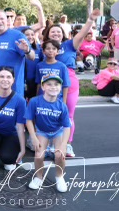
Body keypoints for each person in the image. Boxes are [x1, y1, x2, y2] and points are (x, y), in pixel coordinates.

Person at [43, 8, 101, 157]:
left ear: (63, 34)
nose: (56, 34)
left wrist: (90, 20)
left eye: (58, 32)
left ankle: (67, 144)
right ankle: (51, 144)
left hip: (69, 83)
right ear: (48, 35)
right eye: (52, 32)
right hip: (50, 85)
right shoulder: (45, 49)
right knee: (50, 114)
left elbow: (82, 34)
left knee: (68, 115)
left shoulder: (69, 45)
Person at [25, 75, 71, 193]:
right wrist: (33, 137)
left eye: (56, 84)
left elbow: (66, 127)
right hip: (41, 131)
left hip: (57, 131)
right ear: (43, 87)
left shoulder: (62, 106)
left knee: (59, 155)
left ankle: (59, 177)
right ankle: (38, 177)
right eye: (49, 84)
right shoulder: (35, 101)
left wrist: (64, 144)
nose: (53, 87)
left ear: (60, 88)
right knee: (39, 155)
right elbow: (28, 120)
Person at [0, 10, 35, 97]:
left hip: (13, 89)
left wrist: (27, 50)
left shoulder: (17, 36)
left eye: (2, 19)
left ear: (7, 21)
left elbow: (32, 57)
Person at [22, 27, 43, 101]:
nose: (30, 37)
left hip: (34, 81)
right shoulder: (19, 49)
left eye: (32, 34)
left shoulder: (39, 49)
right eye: (27, 35)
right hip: (22, 81)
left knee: (32, 103)